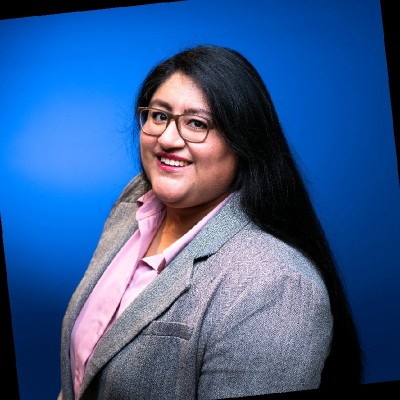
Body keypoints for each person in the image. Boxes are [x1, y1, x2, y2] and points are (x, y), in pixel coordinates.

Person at [58, 44, 363, 400]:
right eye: (159, 116)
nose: (167, 139)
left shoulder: (278, 286)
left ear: (244, 141)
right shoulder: (133, 201)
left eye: (197, 123)